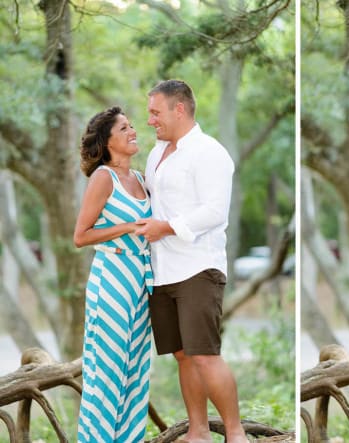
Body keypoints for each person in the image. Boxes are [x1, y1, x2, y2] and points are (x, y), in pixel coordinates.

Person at [139, 79, 247, 443]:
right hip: (162, 270)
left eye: (156, 112)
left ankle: (235, 433)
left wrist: (166, 228)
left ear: (179, 109)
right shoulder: (156, 154)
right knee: (183, 355)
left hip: (198, 267)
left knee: (205, 355)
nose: (150, 120)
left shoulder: (209, 152)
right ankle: (198, 431)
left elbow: (214, 212)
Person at [73, 106, 153, 442]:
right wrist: (127, 227)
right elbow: (81, 236)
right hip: (113, 278)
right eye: (123, 128)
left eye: (131, 126)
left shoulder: (142, 179)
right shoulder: (103, 178)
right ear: (107, 142)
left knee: (136, 368)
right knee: (106, 368)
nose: (133, 131)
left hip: (142, 279)